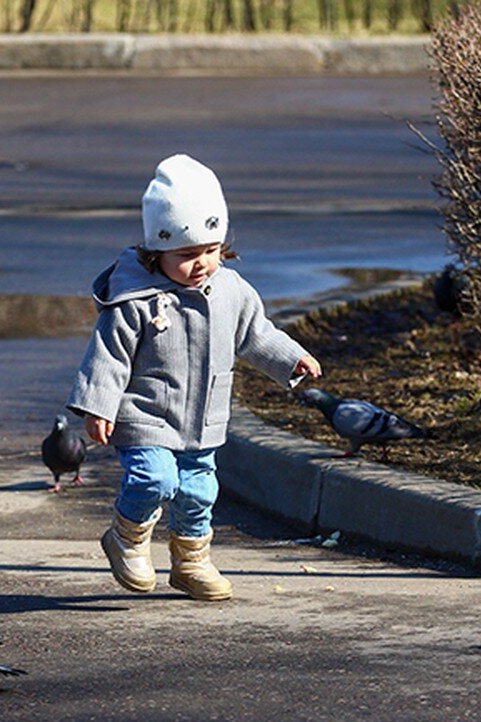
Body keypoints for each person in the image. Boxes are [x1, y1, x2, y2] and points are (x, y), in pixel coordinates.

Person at [67, 154, 322, 601]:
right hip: (145, 413)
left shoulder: (232, 289)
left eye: (211, 250)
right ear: (156, 249)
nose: (202, 263)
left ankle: (191, 560)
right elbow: (109, 356)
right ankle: (127, 537)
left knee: (199, 491)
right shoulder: (135, 299)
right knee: (155, 480)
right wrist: (97, 406)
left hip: (204, 416)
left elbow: (256, 334)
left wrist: (290, 358)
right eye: (186, 255)